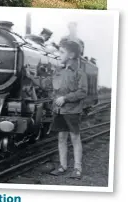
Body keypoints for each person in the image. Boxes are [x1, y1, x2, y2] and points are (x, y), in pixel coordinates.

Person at [26, 38, 88, 179]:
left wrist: (65, 98)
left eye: (61, 52)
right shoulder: (58, 71)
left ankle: (77, 168)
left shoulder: (79, 73)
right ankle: (63, 166)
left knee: (75, 138)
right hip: (59, 111)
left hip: (72, 111)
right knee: (61, 138)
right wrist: (30, 76)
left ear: (71, 55)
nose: (58, 54)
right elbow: (47, 84)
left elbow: (82, 92)